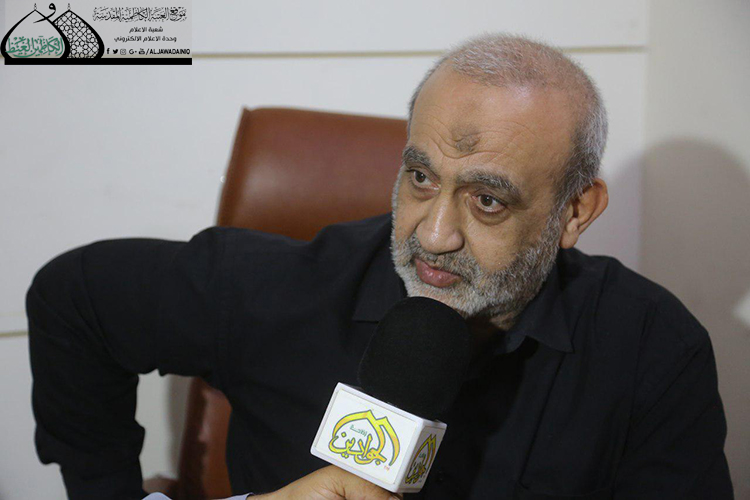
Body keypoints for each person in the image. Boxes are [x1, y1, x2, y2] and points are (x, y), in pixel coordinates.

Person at [26, 33, 734, 500]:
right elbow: (72, 299)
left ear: (575, 212)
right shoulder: (286, 289)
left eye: (487, 200)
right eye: (420, 178)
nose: (434, 234)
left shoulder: (650, 347)